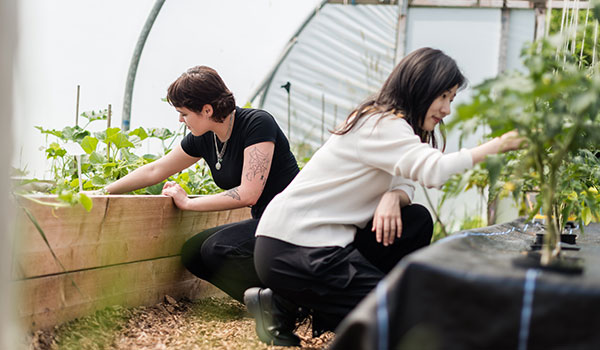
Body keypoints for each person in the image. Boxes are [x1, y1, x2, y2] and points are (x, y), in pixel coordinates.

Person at [243, 47, 524, 346]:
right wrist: (499, 145)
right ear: (420, 86)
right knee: (397, 314)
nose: (447, 110)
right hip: (296, 247)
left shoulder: (388, 123)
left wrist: (394, 195)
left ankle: (284, 304)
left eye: (451, 99)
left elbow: (407, 175)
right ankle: (286, 305)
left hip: (310, 244)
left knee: (414, 219)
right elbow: (434, 171)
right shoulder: (381, 124)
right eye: (443, 97)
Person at [104, 65, 299, 303]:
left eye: (184, 113)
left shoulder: (257, 124)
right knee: (193, 254)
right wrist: (103, 191)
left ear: (207, 109)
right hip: (262, 221)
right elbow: (156, 170)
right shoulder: (204, 137)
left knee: (216, 249)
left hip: (290, 219)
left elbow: (249, 194)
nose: (180, 119)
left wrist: (187, 202)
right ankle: (269, 302)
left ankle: (289, 303)